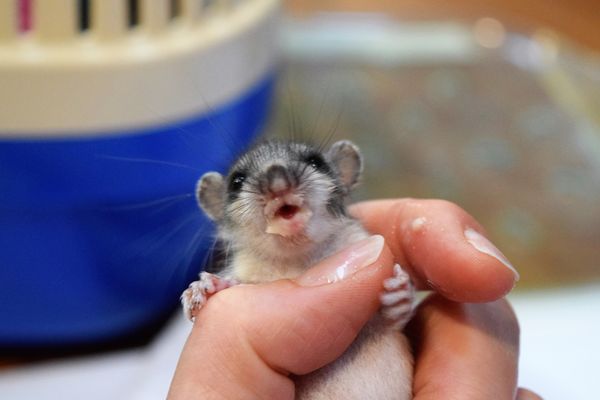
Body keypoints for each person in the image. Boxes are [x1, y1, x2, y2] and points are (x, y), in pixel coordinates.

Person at [168, 199, 542, 399]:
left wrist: (395, 300)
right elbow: (237, 318)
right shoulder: (245, 273)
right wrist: (214, 294)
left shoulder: (359, 245)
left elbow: (388, 322)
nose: (279, 184)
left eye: (310, 165)